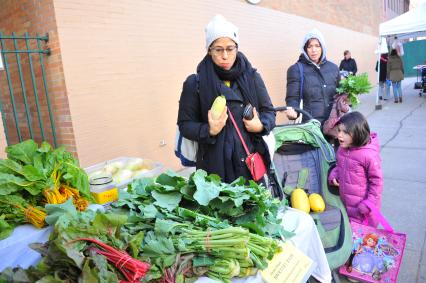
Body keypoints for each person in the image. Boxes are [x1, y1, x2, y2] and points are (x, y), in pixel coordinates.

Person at [177, 15, 275, 183]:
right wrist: (209, 130)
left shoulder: (251, 77)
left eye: (230, 49)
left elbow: (269, 112)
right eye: (218, 49)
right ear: (209, 50)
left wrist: (260, 125)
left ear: (237, 48)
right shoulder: (195, 83)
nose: (225, 56)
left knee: (253, 207)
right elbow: (185, 125)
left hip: (249, 165)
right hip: (213, 171)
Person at [328, 111, 383, 227]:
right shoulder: (342, 150)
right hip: (347, 205)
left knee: (364, 240)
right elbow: (340, 166)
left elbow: (377, 183)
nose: (339, 135)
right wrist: (334, 175)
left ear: (358, 133)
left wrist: (368, 204)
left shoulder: (368, 155)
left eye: (345, 132)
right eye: (339, 131)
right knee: (350, 239)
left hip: (363, 211)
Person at [285, 28, 340, 127]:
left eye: (317, 46)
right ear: (305, 49)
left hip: (333, 125)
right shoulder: (296, 70)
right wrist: (293, 112)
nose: (313, 50)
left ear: (322, 47)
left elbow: (339, 94)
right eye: (310, 46)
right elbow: (292, 98)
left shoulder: (334, 68)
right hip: (310, 126)